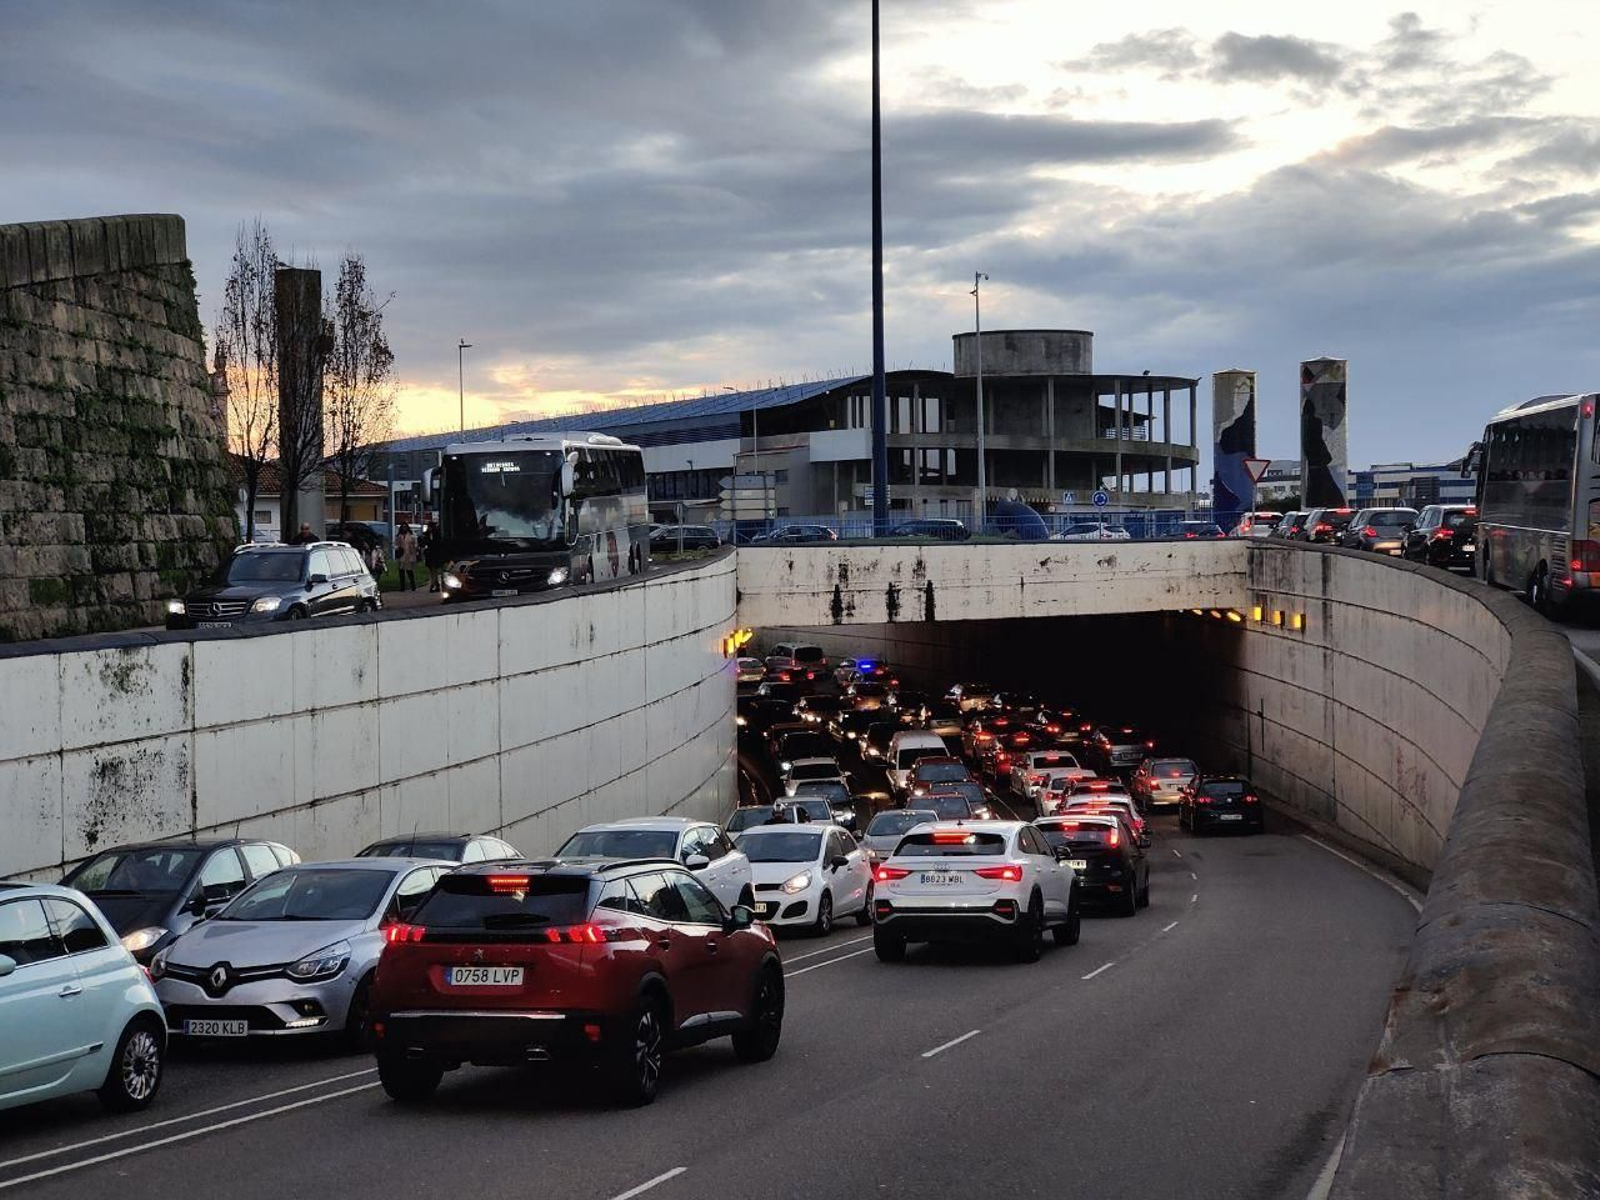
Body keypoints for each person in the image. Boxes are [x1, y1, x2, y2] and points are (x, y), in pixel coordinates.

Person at [395, 522, 419, 591]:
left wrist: (414, 553)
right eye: (403, 527)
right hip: (401, 555)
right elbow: (396, 544)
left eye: (405, 526)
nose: (404, 528)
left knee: (410, 571)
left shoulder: (411, 535)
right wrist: (398, 548)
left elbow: (415, 545)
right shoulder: (399, 535)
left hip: (409, 555)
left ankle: (413, 585)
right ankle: (402, 587)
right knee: (401, 571)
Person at [420, 520, 441, 592]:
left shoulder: (437, 534)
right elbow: (424, 543)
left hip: (436, 553)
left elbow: (436, 543)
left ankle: (433, 584)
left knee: (434, 569)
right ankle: (436, 584)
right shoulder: (427, 534)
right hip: (430, 554)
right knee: (432, 570)